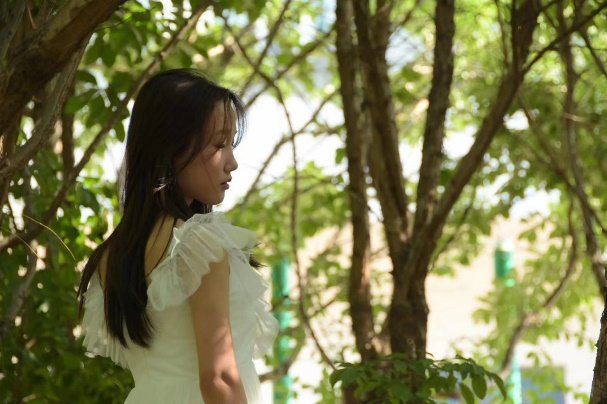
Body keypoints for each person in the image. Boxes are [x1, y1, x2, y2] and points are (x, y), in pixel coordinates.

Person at [77, 69, 278, 403]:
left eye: (231, 144)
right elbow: (219, 379)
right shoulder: (200, 245)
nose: (232, 162)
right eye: (219, 144)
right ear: (171, 148)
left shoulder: (112, 254)